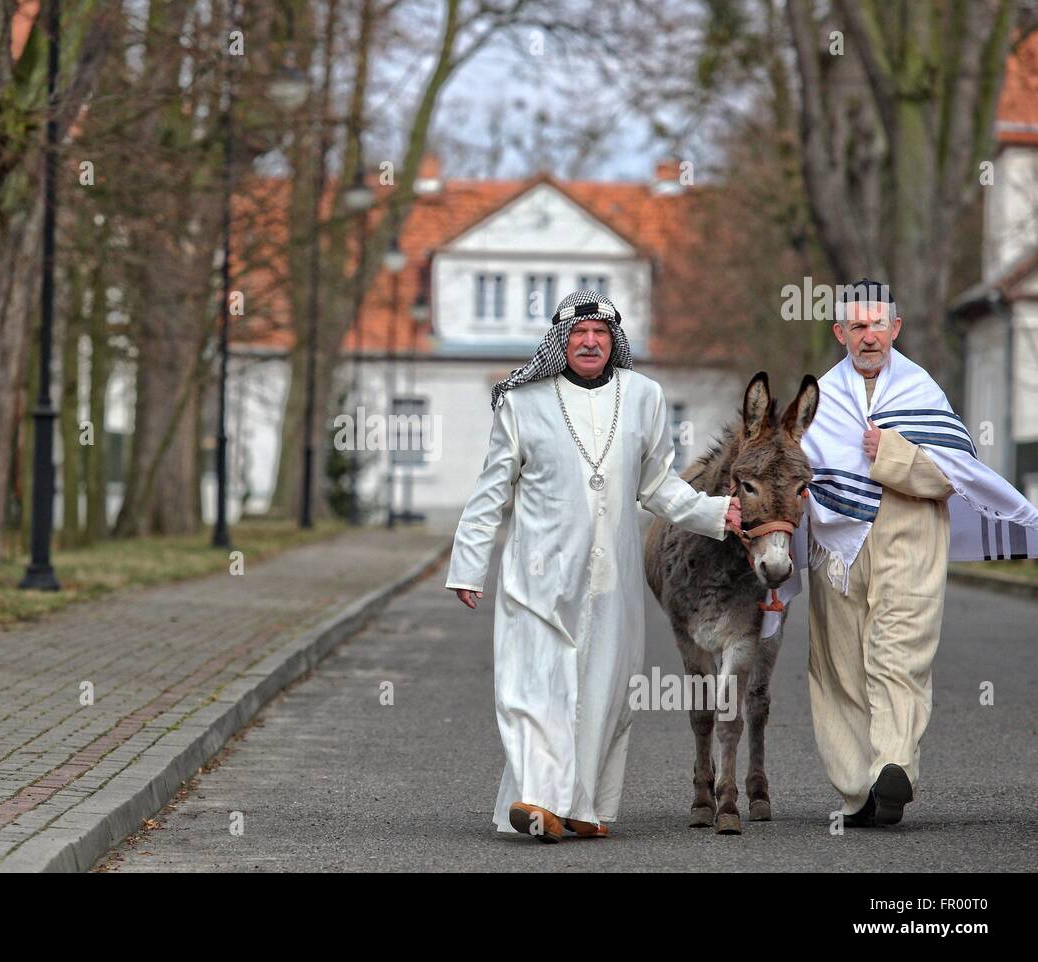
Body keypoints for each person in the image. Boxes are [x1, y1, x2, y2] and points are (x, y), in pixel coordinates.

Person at [445, 289, 741, 843]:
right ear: (560, 341)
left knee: (603, 688)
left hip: (613, 579)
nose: (589, 341)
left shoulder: (644, 397)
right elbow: (491, 492)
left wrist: (720, 514)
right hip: (536, 576)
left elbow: (658, 487)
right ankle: (538, 800)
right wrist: (469, 564)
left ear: (613, 341)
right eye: (578, 333)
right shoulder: (523, 402)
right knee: (535, 688)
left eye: (600, 333)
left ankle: (583, 804)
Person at [793, 278, 1038, 827]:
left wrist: (893, 454)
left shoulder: (921, 391)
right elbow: (796, 473)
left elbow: (951, 476)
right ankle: (858, 790)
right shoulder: (820, 399)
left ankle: (893, 766)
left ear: (896, 328)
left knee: (900, 652)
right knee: (839, 667)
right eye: (857, 326)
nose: (869, 336)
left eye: (878, 324)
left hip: (910, 534)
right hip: (837, 549)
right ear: (840, 333)